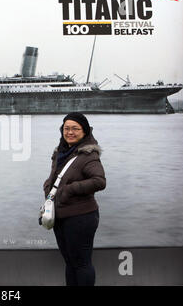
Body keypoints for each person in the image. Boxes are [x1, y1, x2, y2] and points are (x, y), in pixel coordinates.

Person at [43, 112, 106, 286]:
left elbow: (99, 181)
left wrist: (70, 189)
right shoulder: (61, 152)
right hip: (61, 216)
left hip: (81, 217)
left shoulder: (88, 155)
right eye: (66, 128)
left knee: (81, 263)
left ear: (84, 131)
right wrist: (47, 185)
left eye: (75, 129)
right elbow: (56, 176)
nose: (70, 132)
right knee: (70, 263)